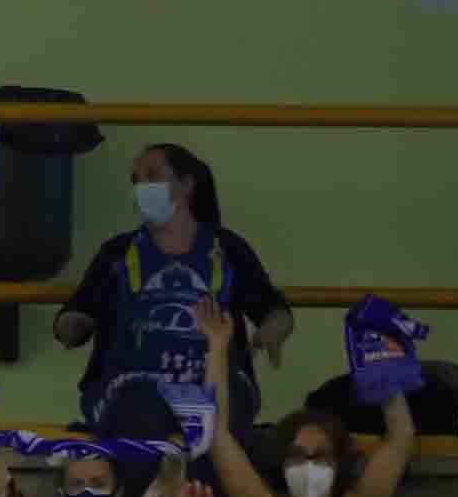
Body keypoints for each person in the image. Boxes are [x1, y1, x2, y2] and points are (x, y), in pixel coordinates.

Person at [53, 139, 289, 442]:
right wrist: (70, 325)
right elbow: (77, 314)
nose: (141, 187)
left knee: (217, 420)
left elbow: (274, 310)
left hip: (215, 381)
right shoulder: (117, 253)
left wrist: (272, 330)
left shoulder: (227, 249)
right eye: (135, 180)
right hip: (131, 387)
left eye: (152, 176)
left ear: (187, 184)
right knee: (143, 415)